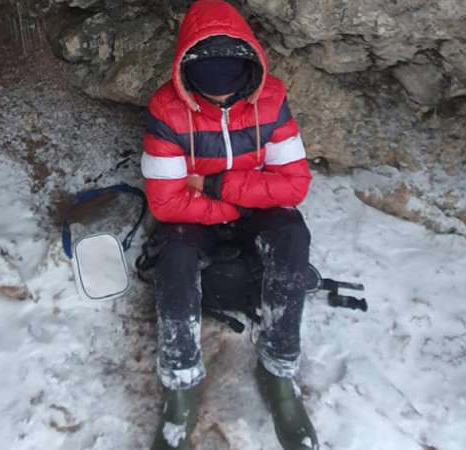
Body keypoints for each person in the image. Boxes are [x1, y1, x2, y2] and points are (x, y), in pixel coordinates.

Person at [141, 1, 318, 449]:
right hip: (208, 213)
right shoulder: (167, 108)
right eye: (208, 89)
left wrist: (216, 186)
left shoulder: (272, 98)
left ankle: (279, 372)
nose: (220, 98)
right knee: (176, 254)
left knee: (292, 233)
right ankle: (181, 385)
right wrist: (246, 198)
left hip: (221, 198)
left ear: (249, 69)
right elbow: (165, 202)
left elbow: (294, 185)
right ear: (187, 75)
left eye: (231, 87)